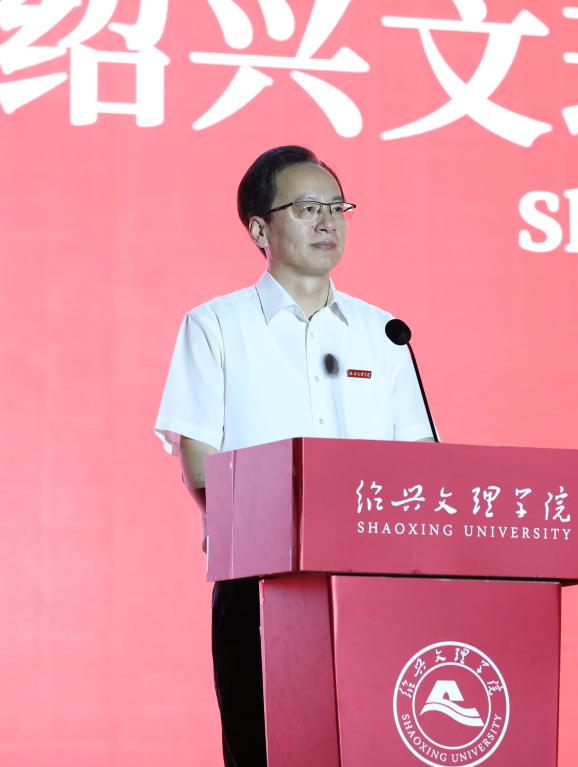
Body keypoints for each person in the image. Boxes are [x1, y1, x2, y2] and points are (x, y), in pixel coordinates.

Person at [154, 145, 435, 766]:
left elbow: (419, 457)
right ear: (261, 229)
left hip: (375, 584)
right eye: (308, 208)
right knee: (267, 750)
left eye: (337, 207)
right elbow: (200, 462)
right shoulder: (216, 326)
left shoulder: (384, 334)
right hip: (261, 584)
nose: (328, 221)